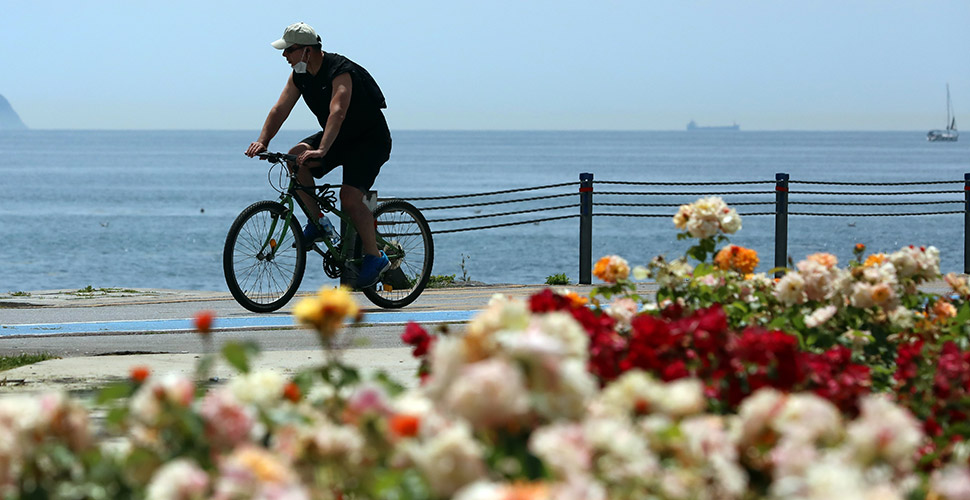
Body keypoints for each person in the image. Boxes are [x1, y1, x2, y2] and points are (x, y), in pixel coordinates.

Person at [245, 22, 392, 288]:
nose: (284, 55)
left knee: (350, 197)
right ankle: (319, 223)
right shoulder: (299, 75)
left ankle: (375, 256)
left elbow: (338, 111)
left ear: (307, 50)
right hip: (338, 137)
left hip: (369, 140)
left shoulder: (340, 70)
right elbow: (280, 109)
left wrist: (322, 149)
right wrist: (263, 141)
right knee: (295, 158)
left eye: (289, 50)